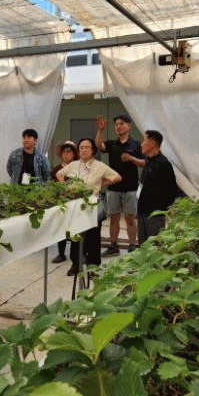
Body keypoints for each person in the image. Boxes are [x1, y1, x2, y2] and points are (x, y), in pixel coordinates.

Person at [57, 138, 121, 276]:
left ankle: (93, 267)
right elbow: (59, 174)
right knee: (76, 236)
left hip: (92, 204)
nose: (84, 150)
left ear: (93, 150)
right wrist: (65, 187)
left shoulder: (100, 166)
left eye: (87, 147)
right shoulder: (73, 165)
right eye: (81, 147)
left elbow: (117, 177)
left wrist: (101, 184)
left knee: (93, 237)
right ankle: (76, 264)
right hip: (76, 204)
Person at [96, 114, 143, 256]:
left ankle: (132, 246)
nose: (118, 126)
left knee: (130, 219)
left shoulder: (136, 144)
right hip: (113, 188)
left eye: (121, 124)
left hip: (130, 188)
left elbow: (143, 162)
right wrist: (100, 130)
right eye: (116, 124)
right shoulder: (112, 144)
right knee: (114, 218)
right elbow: (99, 145)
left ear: (129, 126)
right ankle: (113, 246)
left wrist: (131, 158)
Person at [126, 130, 179, 245]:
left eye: (143, 141)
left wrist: (163, 207)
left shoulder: (163, 164)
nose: (141, 144)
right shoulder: (148, 162)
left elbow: (172, 189)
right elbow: (142, 184)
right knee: (143, 245)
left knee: (154, 245)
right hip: (142, 211)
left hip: (155, 213)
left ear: (152, 144)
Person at [50, 140, 79, 264]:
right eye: (64, 152)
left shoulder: (78, 168)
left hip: (74, 203)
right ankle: (61, 253)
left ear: (74, 154)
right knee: (61, 228)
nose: (66, 154)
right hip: (60, 203)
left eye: (69, 151)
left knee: (75, 229)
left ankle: (77, 254)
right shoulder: (56, 169)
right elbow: (51, 186)